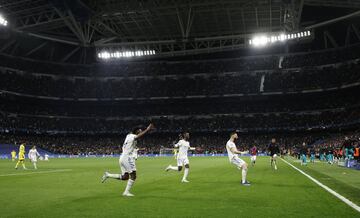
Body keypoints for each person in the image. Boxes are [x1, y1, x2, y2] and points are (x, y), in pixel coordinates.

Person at [101, 123, 154, 197]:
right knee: (133, 175)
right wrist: (147, 129)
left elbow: (136, 140)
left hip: (122, 157)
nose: (140, 132)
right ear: (137, 131)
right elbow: (138, 136)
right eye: (140, 131)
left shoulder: (128, 136)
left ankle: (108, 175)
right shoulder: (132, 136)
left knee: (125, 177)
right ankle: (126, 192)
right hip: (127, 158)